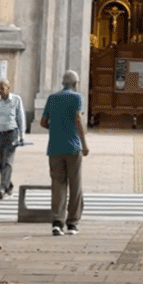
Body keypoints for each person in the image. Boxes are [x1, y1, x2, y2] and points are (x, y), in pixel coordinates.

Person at [40, 69, 89, 236]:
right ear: (75, 84)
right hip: (73, 148)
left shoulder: (52, 98)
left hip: (54, 148)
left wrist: (55, 129)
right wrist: (84, 143)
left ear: (63, 83)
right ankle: (72, 223)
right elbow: (78, 120)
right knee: (75, 186)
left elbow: (43, 122)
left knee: (58, 185)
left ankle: (57, 222)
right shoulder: (77, 97)